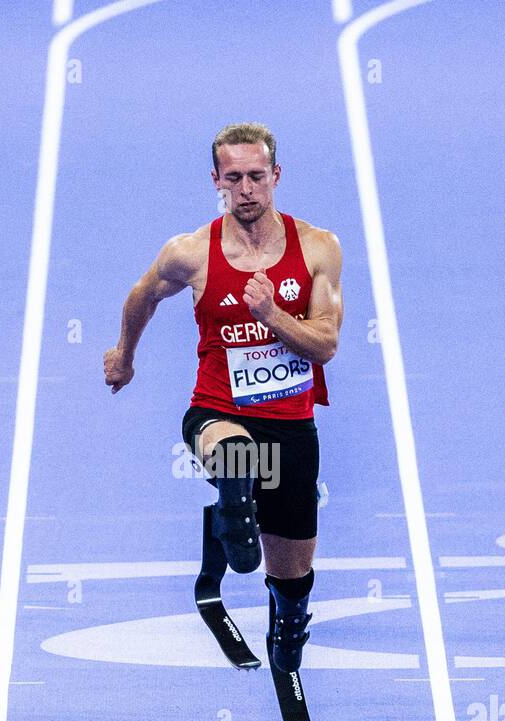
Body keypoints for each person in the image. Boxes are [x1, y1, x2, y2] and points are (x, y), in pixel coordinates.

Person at [104, 122, 342, 679]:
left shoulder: (317, 249)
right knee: (232, 455)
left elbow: (326, 344)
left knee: (292, 578)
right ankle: (234, 511)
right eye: (233, 178)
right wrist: (124, 355)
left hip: (291, 427)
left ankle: (287, 624)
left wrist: (274, 317)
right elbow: (142, 295)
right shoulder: (191, 252)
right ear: (216, 181)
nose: (247, 189)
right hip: (218, 410)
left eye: (257, 176)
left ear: (276, 176)